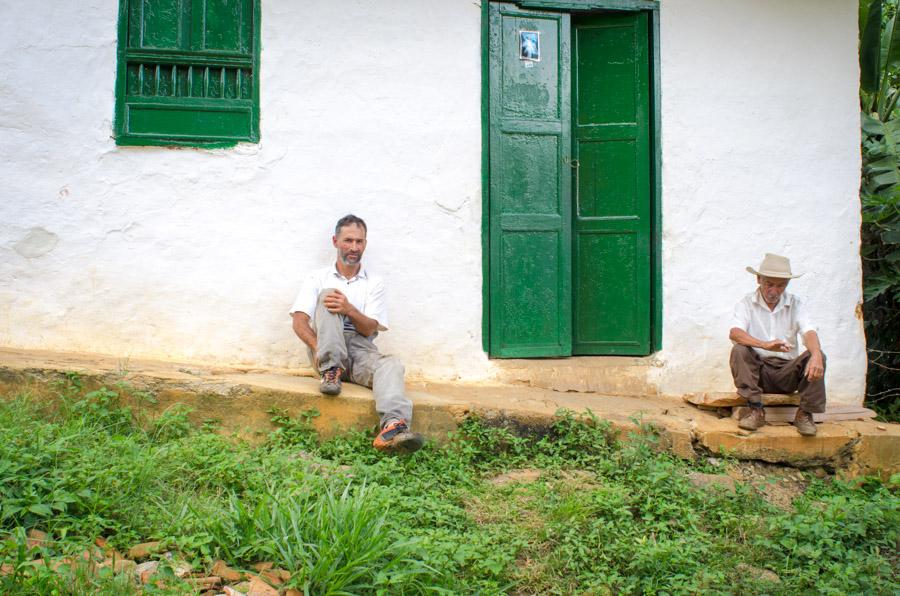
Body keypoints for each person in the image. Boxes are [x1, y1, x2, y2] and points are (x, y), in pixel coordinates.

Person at [290, 214, 424, 453]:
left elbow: (370, 328)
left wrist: (349, 309)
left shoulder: (374, 282)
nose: (354, 247)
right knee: (329, 294)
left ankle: (393, 427)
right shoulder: (317, 278)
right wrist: (318, 348)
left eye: (359, 242)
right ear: (335, 241)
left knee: (391, 363)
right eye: (348, 240)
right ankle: (332, 369)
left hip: (361, 350)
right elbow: (299, 322)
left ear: (365, 244)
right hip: (327, 347)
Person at [728, 253, 826, 436]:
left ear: (787, 285)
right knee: (739, 350)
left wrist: (817, 354)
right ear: (759, 279)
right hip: (758, 373)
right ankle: (756, 410)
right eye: (769, 284)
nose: (774, 290)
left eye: (781, 285)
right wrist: (764, 345)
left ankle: (804, 414)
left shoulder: (796, 304)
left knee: (817, 355)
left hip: (786, 374)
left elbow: (809, 331)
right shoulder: (746, 303)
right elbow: (735, 333)